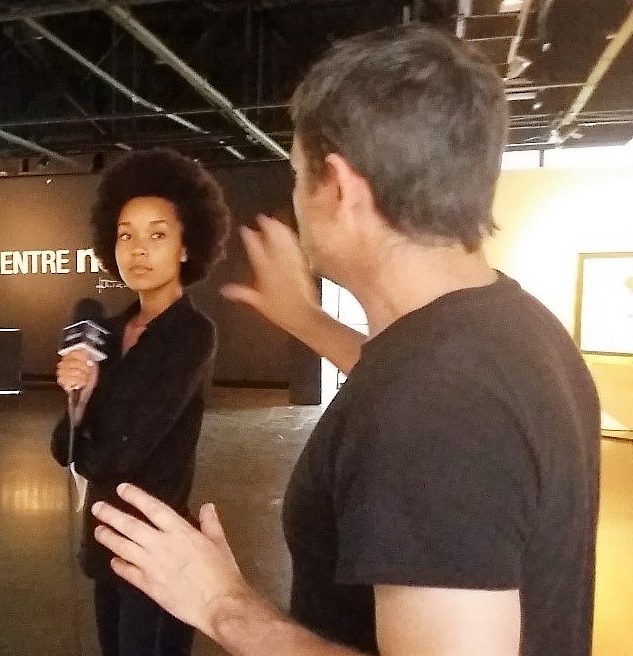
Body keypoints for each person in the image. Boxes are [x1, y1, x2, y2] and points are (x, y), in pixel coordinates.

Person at [91, 24, 600, 656]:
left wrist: (224, 607)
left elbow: (425, 409)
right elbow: (409, 380)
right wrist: (307, 321)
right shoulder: (510, 327)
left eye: (297, 176)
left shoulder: (436, 406)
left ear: (338, 187)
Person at [50, 148, 230, 656]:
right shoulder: (104, 333)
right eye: (126, 235)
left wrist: (87, 440)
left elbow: (121, 454)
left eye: (157, 234)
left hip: (159, 549)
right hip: (104, 540)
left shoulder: (191, 334)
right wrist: (78, 399)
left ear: (186, 247)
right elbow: (63, 449)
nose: (138, 250)